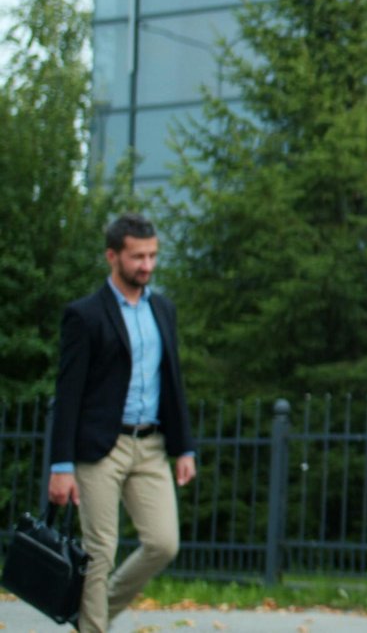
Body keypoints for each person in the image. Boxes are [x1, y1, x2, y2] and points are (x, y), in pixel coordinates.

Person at [48, 212, 197, 633]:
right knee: (100, 552)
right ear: (112, 256)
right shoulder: (85, 315)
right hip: (101, 447)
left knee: (164, 543)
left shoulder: (163, 309)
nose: (147, 266)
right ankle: (94, 627)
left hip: (150, 445)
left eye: (152, 256)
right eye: (137, 257)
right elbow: (68, 394)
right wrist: (61, 466)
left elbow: (173, 381)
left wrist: (184, 447)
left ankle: (91, 613)